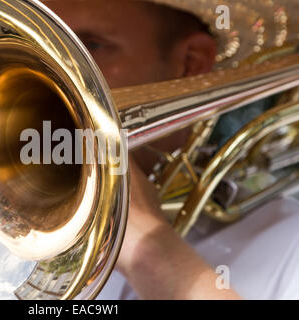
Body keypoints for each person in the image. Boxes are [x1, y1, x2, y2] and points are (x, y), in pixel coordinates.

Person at [43, 0, 299, 300]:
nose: (51, 76)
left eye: (92, 46)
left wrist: (149, 249)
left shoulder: (289, 245)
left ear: (190, 62)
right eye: (39, 45)